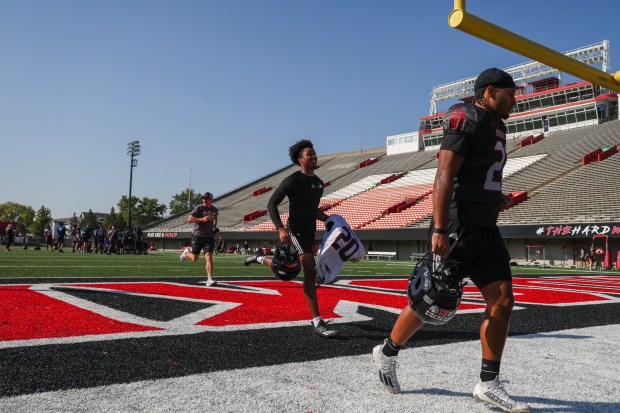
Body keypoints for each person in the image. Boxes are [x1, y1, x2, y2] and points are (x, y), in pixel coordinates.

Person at [372, 68, 530, 412]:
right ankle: (387, 351)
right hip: (458, 225)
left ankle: (488, 383)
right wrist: (441, 229)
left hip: (486, 227)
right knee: (432, 300)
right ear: (490, 91)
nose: (515, 99)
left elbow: (479, 173)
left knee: (503, 301)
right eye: (510, 93)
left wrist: (495, 196)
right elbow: (444, 173)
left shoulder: (497, 125)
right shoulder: (466, 117)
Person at [245, 139, 337, 338]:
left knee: (287, 271)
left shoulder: (319, 183)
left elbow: (312, 209)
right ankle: (317, 321)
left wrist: (326, 219)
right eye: (309, 154)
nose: (314, 156)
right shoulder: (292, 180)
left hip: (310, 231)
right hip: (294, 230)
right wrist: (280, 228)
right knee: (308, 266)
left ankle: (259, 258)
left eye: (314, 153)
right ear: (299, 160)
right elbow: (272, 203)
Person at [180, 192, 219, 287]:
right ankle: (186, 253)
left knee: (209, 256)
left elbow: (215, 218)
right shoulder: (199, 208)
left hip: (209, 236)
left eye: (206, 198)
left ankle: (209, 279)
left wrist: (214, 227)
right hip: (197, 235)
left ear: (211, 199)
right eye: (203, 198)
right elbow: (189, 219)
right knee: (195, 258)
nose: (204, 200)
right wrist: (202, 219)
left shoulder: (214, 209)